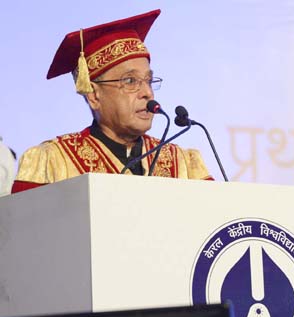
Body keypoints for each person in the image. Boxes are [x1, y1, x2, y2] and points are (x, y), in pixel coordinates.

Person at [12, 9, 212, 194]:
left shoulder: (183, 164)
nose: (147, 93)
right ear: (93, 96)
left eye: (149, 81)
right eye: (130, 81)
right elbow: (26, 230)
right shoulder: (53, 161)